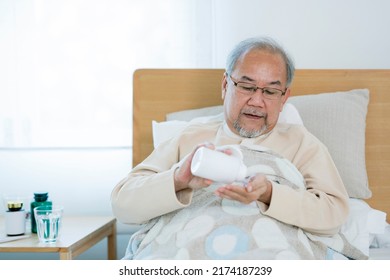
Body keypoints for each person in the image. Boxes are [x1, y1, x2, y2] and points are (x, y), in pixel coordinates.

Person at [111, 37, 352, 259]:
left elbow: (333, 216)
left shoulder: (301, 143)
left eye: (270, 91)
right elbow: (123, 205)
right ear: (226, 85)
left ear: (284, 98)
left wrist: (269, 193)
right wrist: (178, 180)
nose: (257, 101)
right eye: (246, 87)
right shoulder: (190, 138)